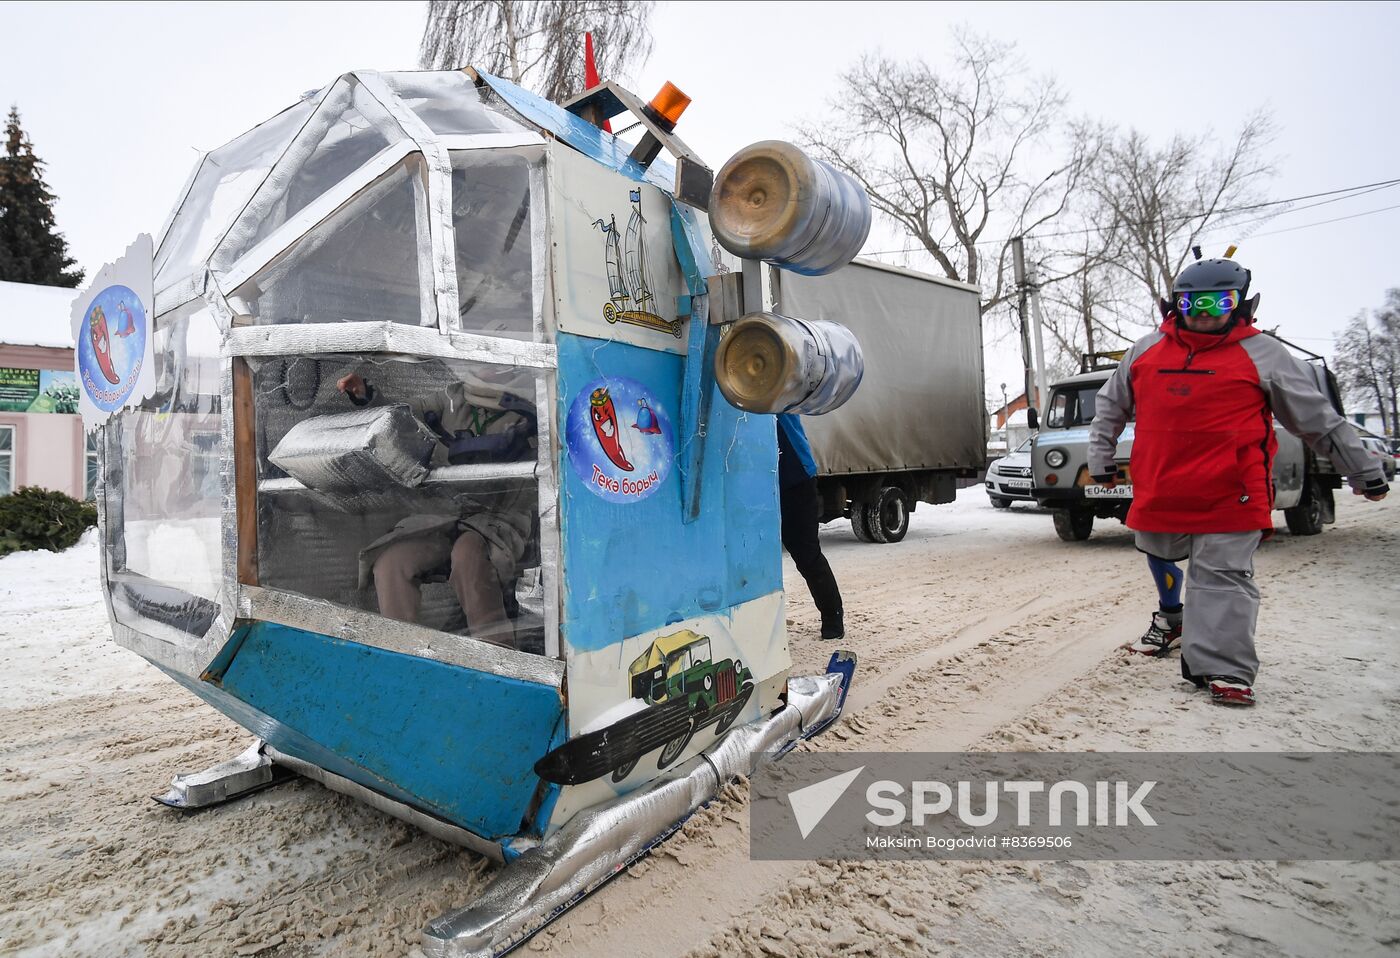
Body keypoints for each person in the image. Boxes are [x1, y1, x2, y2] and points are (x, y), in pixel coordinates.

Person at [1089, 253, 1388, 706]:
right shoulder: (1146, 350)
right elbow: (1110, 406)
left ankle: (1224, 671)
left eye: (1218, 302)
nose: (1205, 313)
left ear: (1242, 304)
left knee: (1221, 578)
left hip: (1233, 488)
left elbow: (1316, 420)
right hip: (1162, 487)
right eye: (1193, 304)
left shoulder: (1263, 353)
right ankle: (1177, 621)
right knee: (1160, 554)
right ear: (1174, 305)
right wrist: (1102, 456)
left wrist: (1363, 469)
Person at [338, 366, 536, 649]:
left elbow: (517, 455)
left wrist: (451, 453)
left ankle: (496, 657)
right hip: (448, 514)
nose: (478, 362)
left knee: (468, 554)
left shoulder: (532, 402)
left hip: (502, 517)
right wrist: (367, 395)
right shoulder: (453, 396)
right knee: (391, 562)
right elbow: (403, 416)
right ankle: (405, 655)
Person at [776, 413, 844, 641]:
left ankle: (832, 618)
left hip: (795, 480)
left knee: (806, 554)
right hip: (756, 481)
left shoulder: (774, 393)